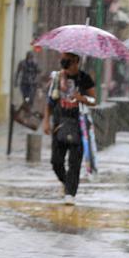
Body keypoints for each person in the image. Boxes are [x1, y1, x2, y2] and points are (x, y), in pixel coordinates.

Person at [41, 52, 96, 206]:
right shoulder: (57, 78)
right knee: (56, 161)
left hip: (78, 125)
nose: (64, 62)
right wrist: (46, 121)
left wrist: (81, 98)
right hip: (60, 124)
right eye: (62, 59)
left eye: (67, 59)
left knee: (74, 162)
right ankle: (66, 183)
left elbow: (94, 100)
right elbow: (50, 102)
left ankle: (70, 193)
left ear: (76, 60)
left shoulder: (85, 78)